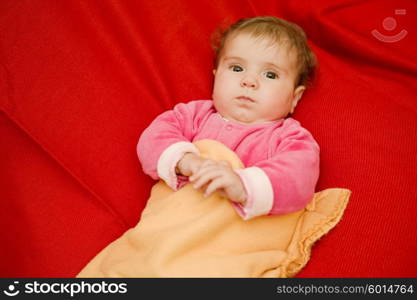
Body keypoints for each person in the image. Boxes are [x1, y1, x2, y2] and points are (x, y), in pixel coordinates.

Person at [137, 16, 319, 220]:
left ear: (295, 97)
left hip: (235, 240)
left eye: (270, 75)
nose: (249, 81)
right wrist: (187, 162)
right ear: (216, 77)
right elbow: (153, 138)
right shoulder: (195, 115)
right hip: (173, 224)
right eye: (237, 68)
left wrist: (243, 186)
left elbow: (298, 178)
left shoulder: (290, 138)